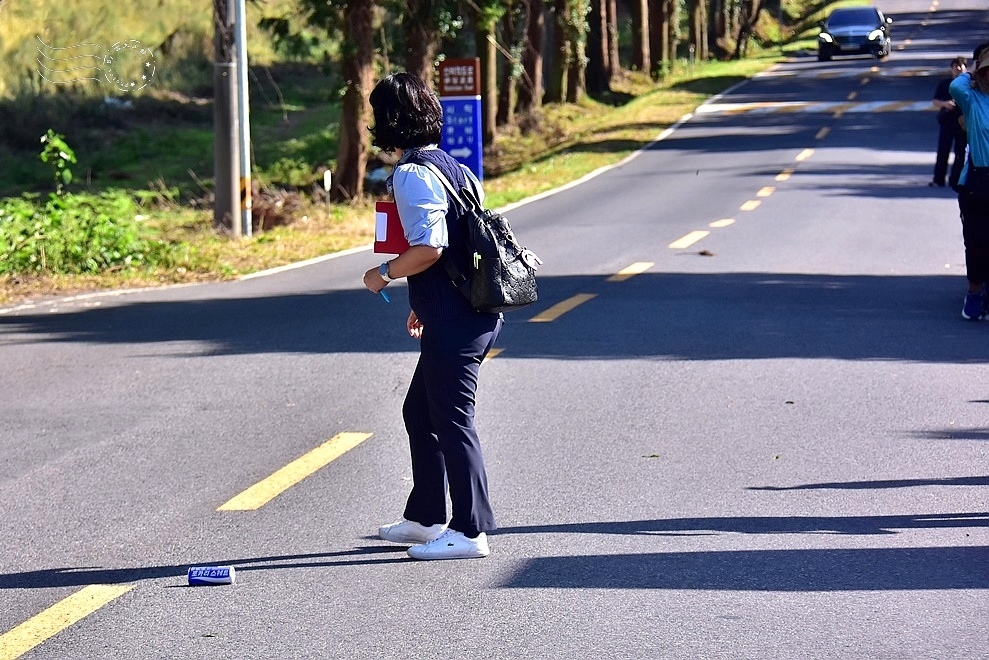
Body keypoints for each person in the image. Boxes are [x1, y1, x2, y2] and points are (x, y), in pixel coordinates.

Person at [362, 72, 503, 560]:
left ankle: (469, 531)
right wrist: (421, 304)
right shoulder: (453, 168)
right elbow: (461, 248)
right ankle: (425, 518)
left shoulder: (411, 173)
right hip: (464, 310)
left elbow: (430, 248)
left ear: (389, 120)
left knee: (452, 420)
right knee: (420, 413)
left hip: (459, 319)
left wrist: (382, 274)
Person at [950, 50, 989, 319]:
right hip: (978, 180)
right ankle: (974, 291)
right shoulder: (973, 99)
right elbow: (955, 87)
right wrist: (972, 71)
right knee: (977, 241)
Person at [930, 57, 967, 189]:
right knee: (943, 150)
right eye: (956, 66)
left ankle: (956, 179)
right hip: (947, 121)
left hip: (963, 123)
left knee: (961, 152)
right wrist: (945, 104)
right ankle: (938, 178)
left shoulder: (970, 84)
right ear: (952, 69)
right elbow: (935, 100)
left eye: (961, 66)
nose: (958, 69)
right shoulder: (945, 84)